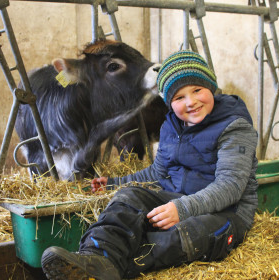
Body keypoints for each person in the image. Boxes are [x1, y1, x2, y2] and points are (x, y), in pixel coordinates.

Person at [41, 50, 258, 280]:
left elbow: (231, 187)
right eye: (179, 97)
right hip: (177, 198)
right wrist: (115, 182)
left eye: (197, 90)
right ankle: (96, 255)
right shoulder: (171, 127)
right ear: (168, 102)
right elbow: (158, 172)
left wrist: (182, 209)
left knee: (187, 234)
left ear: (211, 87)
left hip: (227, 213)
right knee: (129, 197)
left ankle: (107, 269)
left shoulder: (234, 126)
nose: (191, 102)